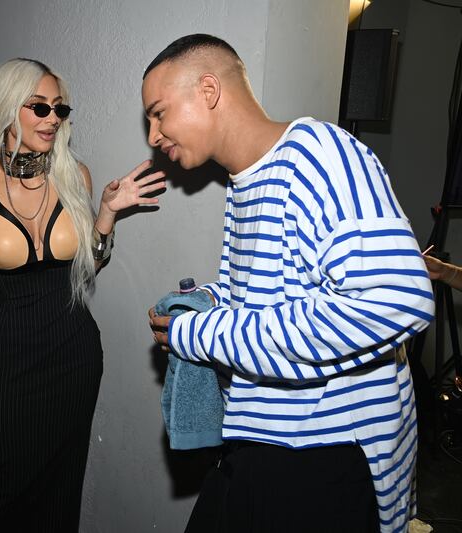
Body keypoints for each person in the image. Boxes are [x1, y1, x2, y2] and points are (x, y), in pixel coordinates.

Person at [144, 35, 434, 533]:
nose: (153, 135)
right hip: (264, 439)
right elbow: (279, 292)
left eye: (158, 113)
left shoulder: (321, 155)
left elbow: (396, 301)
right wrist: (210, 302)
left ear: (208, 90)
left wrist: (204, 335)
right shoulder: (248, 182)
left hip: (324, 456)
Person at [0, 58, 166, 531]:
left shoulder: (75, 175)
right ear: (7, 109)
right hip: (9, 358)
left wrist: (107, 216)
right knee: (8, 486)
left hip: (74, 351)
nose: (53, 118)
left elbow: (88, 265)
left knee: (62, 482)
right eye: (39, 107)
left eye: (60, 108)